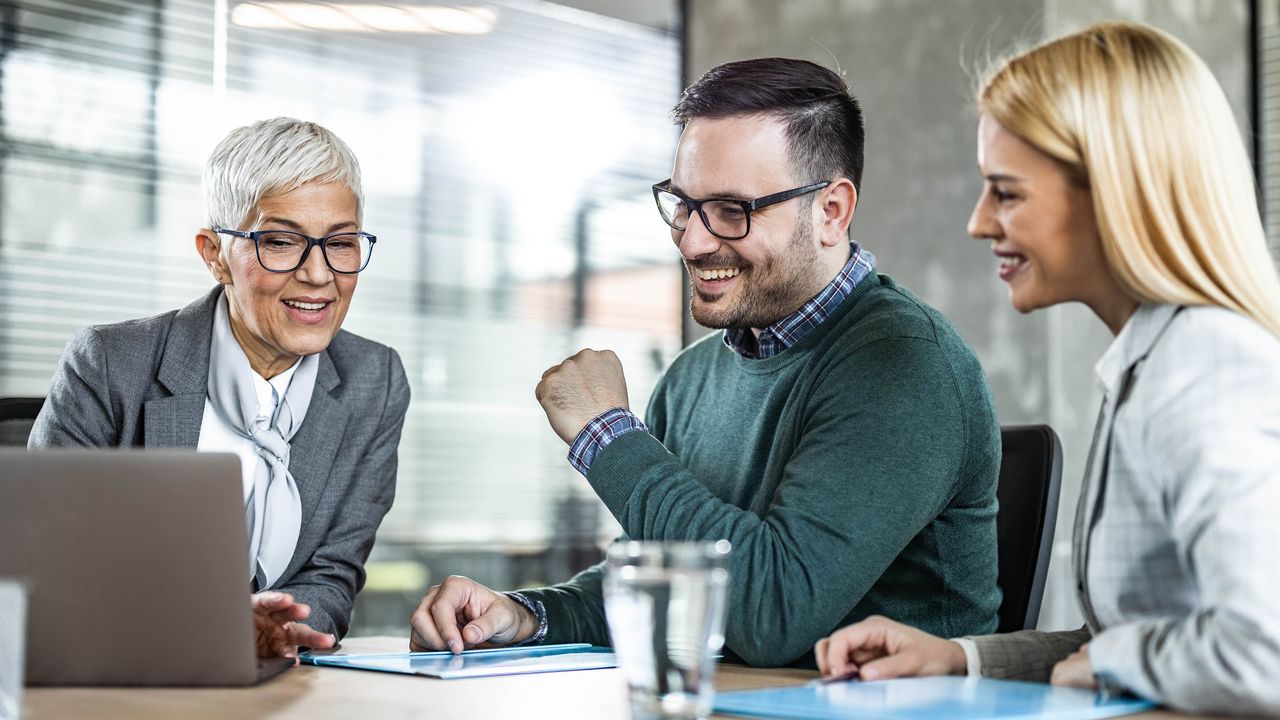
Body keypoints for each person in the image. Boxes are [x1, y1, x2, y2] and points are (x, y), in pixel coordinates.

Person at [409, 58, 1002, 668]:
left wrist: (606, 437)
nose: (692, 240)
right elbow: (663, 586)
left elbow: (772, 614)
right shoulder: (692, 378)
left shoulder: (905, 365)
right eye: (684, 204)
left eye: (731, 211)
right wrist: (528, 615)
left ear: (831, 212)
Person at [814, 21, 1280, 716]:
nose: (977, 222)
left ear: (1116, 193)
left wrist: (1112, 660)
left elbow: (1262, 653)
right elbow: (1119, 646)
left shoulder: (1203, 363)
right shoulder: (1149, 361)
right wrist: (959, 657)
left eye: (1006, 193)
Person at [29, 117, 410, 659]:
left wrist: (278, 630)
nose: (320, 275)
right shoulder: (111, 363)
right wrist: (212, 627)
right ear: (214, 255)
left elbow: (333, 571)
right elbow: (51, 562)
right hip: (126, 673)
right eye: (281, 242)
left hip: (276, 681)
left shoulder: (376, 379)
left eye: (341, 244)